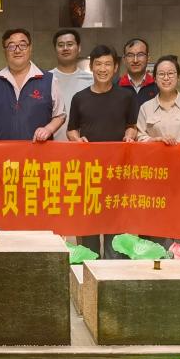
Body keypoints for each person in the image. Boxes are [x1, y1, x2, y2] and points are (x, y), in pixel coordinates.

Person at [67, 45, 137, 259]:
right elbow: (71, 130)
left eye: (108, 64)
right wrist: (77, 140)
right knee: (88, 231)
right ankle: (88, 269)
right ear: (91, 67)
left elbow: (132, 125)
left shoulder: (126, 96)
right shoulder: (79, 98)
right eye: (98, 64)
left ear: (115, 68)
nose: (103, 69)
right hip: (89, 175)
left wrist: (130, 136)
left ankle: (112, 272)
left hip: (118, 174)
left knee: (115, 233)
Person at [137, 55, 180, 254]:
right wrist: (156, 141)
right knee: (158, 227)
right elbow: (140, 138)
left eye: (171, 73)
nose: (166, 78)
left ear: (178, 76)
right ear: (155, 78)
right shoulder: (146, 108)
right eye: (161, 74)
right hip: (156, 178)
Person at [0, 28, 65, 141]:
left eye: (23, 45)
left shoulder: (50, 80)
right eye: (11, 46)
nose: (17, 50)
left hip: (38, 151)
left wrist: (48, 129)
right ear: (4, 51)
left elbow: (60, 115)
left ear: (30, 48)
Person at [49, 29, 93, 141]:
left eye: (70, 44)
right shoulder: (46, 79)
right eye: (60, 45)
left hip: (83, 145)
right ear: (55, 49)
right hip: (51, 146)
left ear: (79, 48)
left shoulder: (91, 81)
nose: (65, 48)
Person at [119, 37, 157, 105]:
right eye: (130, 55)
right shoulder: (115, 87)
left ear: (148, 58)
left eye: (140, 55)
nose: (135, 60)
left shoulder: (158, 87)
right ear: (124, 59)